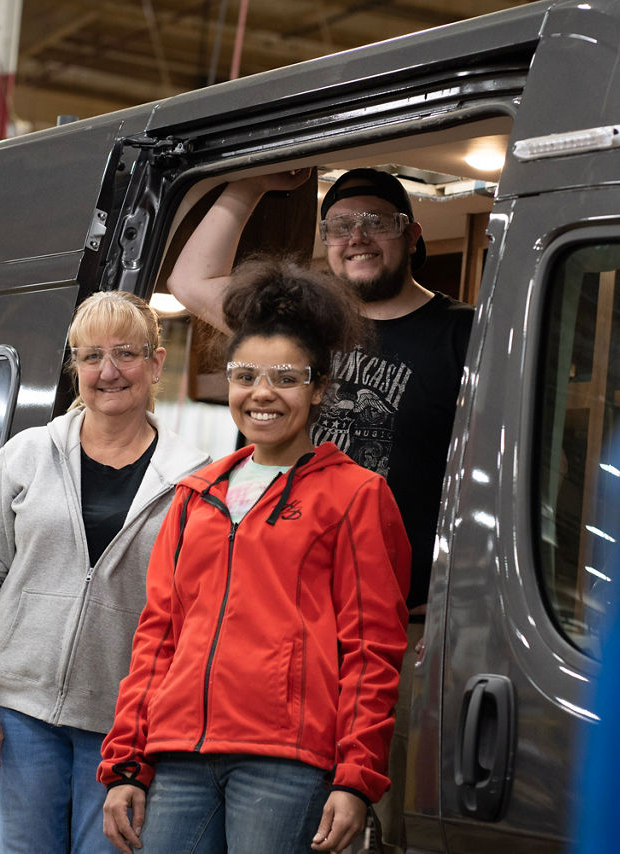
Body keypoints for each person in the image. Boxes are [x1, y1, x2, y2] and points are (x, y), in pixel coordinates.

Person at [166, 167, 474, 850]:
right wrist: (250, 184)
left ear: (412, 235)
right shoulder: (301, 329)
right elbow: (190, 283)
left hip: (401, 629)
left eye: (376, 222)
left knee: (375, 825)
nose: (355, 238)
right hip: (279, 626)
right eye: (338, 226)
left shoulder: (463, 334)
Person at [99, 257, 411, 854]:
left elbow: (373, 649)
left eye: (286, 378)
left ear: (319, 388)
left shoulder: (356, 496)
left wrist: (356, 777)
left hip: (286, 763)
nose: (262, 394)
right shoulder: (196, 495)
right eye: (245, 375)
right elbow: (158, 635)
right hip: (181, 755)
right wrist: (126, 760)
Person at [0, 291, 209, 854]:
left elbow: (197, 616)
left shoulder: (195, 478)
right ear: (75, 367)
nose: (108, 371)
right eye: (90, 356)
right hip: (20, 714)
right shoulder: (26, 455)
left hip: (124, 725)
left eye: (126, 353)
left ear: (157, 362)